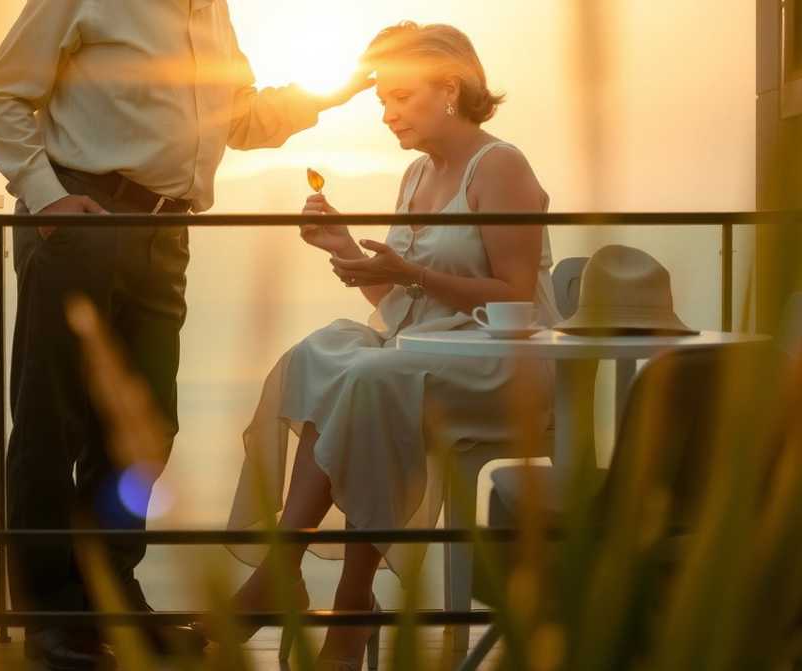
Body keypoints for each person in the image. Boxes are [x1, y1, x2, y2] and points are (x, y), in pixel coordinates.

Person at [0, 1, 373, 668]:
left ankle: (111, 598)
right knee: (51, 425)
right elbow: (1, 94)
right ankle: (52, 620)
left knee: (150, 427)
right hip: (82, 220)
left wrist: (336, 89)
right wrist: (46, 196)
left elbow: (238, 117)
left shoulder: (211, 10)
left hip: (166, 235)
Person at [224, 21, 562, 670]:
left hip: (500, 360)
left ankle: (344, 601)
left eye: (401, 97)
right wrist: (345, 246)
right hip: (427, 348)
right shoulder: (415, 174)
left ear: (450, 88)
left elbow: (515, 294)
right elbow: (402, 306)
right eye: (383, 101)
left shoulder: (501, 165)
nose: (388, 114)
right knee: (321, 354)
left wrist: (411, 272)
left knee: (372, 379)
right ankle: (286, 572)